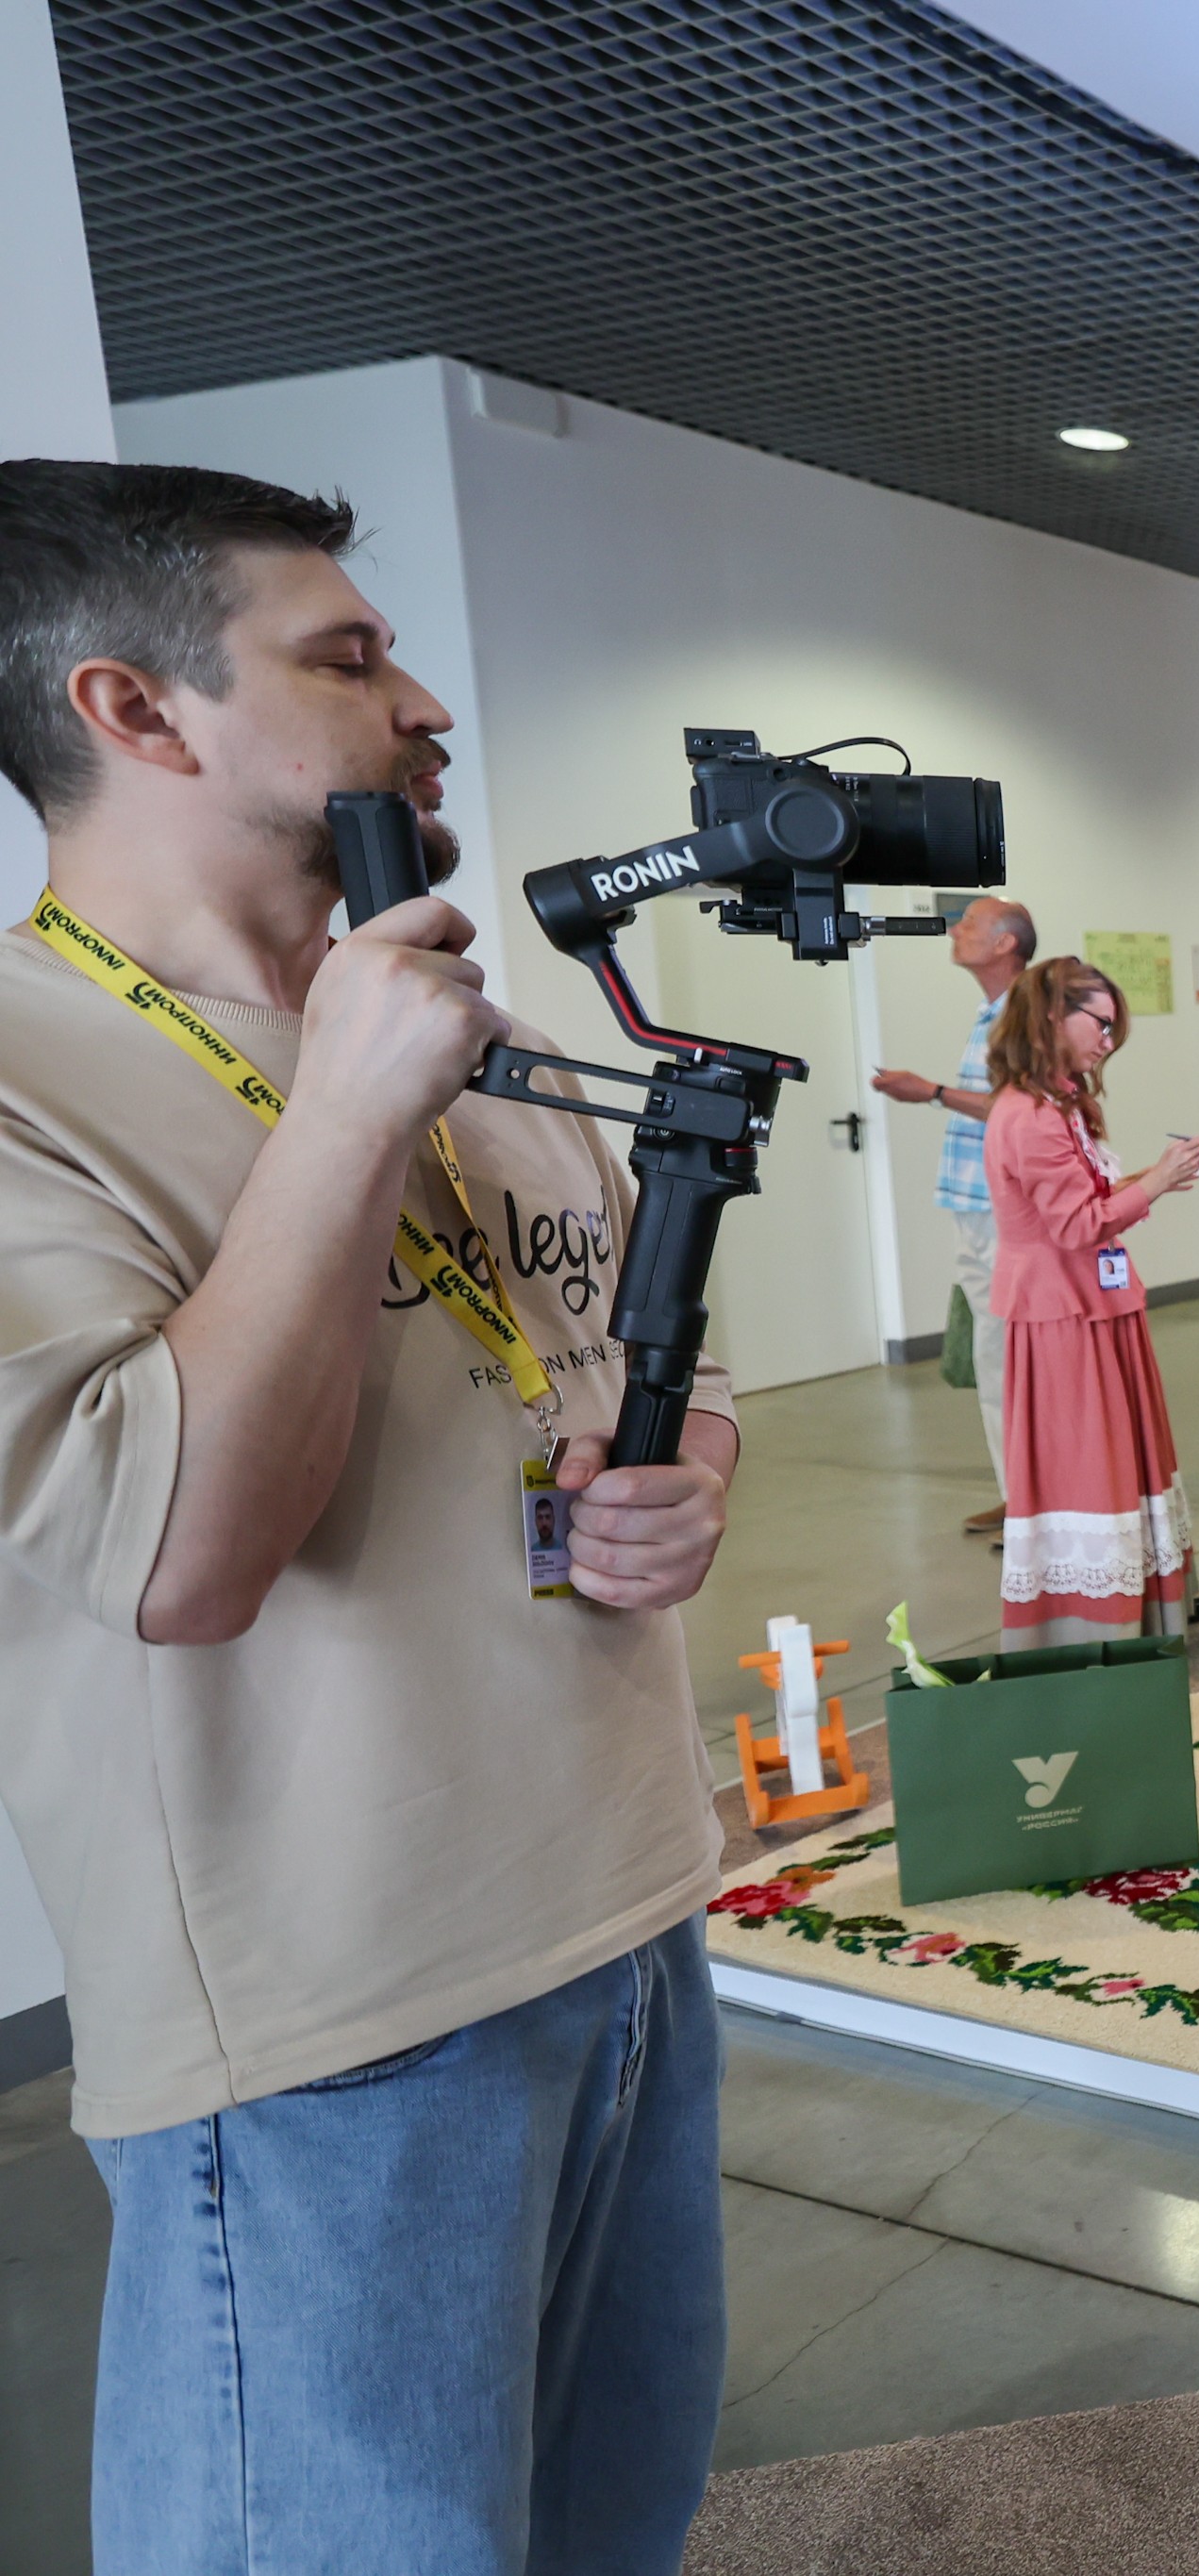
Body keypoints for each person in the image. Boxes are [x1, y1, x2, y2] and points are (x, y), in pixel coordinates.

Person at [0, 460, 739, 2568]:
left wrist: (687, 1476)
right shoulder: (29, 1074)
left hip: (632, 1923)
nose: (424, 707)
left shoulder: (498, 1054)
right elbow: (177, 1558)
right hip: (331, 2023)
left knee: (612, 2529)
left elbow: (642, 1376)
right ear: (136, 709)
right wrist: (339, 1104)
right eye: (345, 659)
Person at [983, 956, 1199, 1648]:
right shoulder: (1029, 1116)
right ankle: (1095, 1623)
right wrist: (1156, 1181)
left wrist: (1154, 1177)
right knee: (1089, 1465)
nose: (1108, 1042)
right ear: (1053, 1016)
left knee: (1120, 1456)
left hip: (1093, 1302)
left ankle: (1142, 1609)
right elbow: (1077, 1225)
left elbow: (1086, 1200)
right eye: (1102, 1025)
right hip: (1063, 1313)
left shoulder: (1058, 1103)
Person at [872, 893, 1035, 1536]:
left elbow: (1018, 1107)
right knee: (995, 1361)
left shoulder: (1025, 1012)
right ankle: (1019, 1494)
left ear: (1005, 943)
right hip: (974, 1207)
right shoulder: (992, 1012)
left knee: (1007, 1358)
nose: (955, 929)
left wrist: (932, 1092)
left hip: (1003, 1213)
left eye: (970, 923)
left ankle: (1035, 1502)